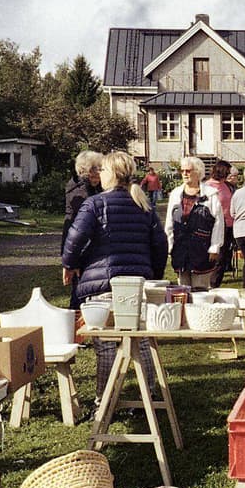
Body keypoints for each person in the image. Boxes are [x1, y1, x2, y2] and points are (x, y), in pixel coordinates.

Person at [62, 151, 168, 396]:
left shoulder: (95, 203)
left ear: (111, 174)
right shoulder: (144, 205)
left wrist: (69, 264)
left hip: (103, 286)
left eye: (103, 170)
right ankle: (149, 395)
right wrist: (153, 275)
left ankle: (106, 398)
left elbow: (74, 238)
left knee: (107, 345)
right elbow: (160, 244)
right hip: (137, 284)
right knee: (141, 342)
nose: (99, 174)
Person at [164, 156, 224, 289]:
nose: (184, 174)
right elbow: (169, 223)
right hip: (180, 249)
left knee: (200, 291)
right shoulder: (175, 194)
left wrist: (215, 247)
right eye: (182, 171)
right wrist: (169, 245)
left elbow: (218, 223)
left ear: (198, 172)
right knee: (182, 290)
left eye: (188, 171)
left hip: (202, 249)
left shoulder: (210, 195)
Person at [63, 150, 103, 309]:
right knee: (81, 296)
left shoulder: (92, 188)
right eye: (97, 169)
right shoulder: (80, 192)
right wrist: (73, 261)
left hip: (87, 249)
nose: (100, 173)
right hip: (83, 250)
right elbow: (76, 229)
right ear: (87, 171)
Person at [206, 160, 235, 288]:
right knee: (214, 255)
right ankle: (209, 282)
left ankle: (215, 283)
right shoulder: (207, 186)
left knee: (223, 257)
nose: (229, 174)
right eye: (227, 172)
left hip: (228, 225)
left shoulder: (227, 186)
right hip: (213, 225)